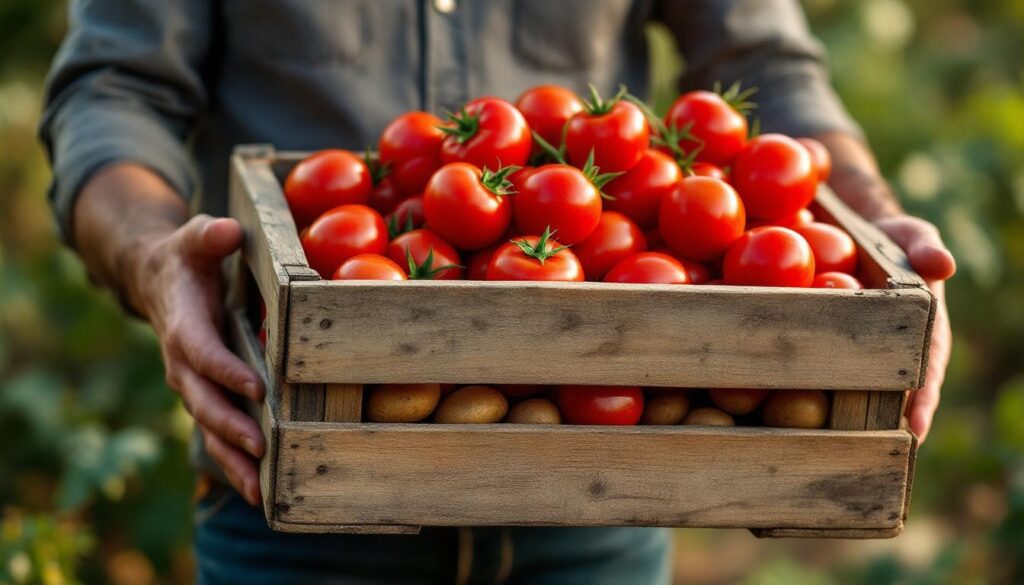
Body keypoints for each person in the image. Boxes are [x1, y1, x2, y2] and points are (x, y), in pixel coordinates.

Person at [40, 1, 955, 583]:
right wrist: (154, 257)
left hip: (608, 491)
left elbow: (773, 69)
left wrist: (879, 223)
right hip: (295, 488)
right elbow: (113, 90)